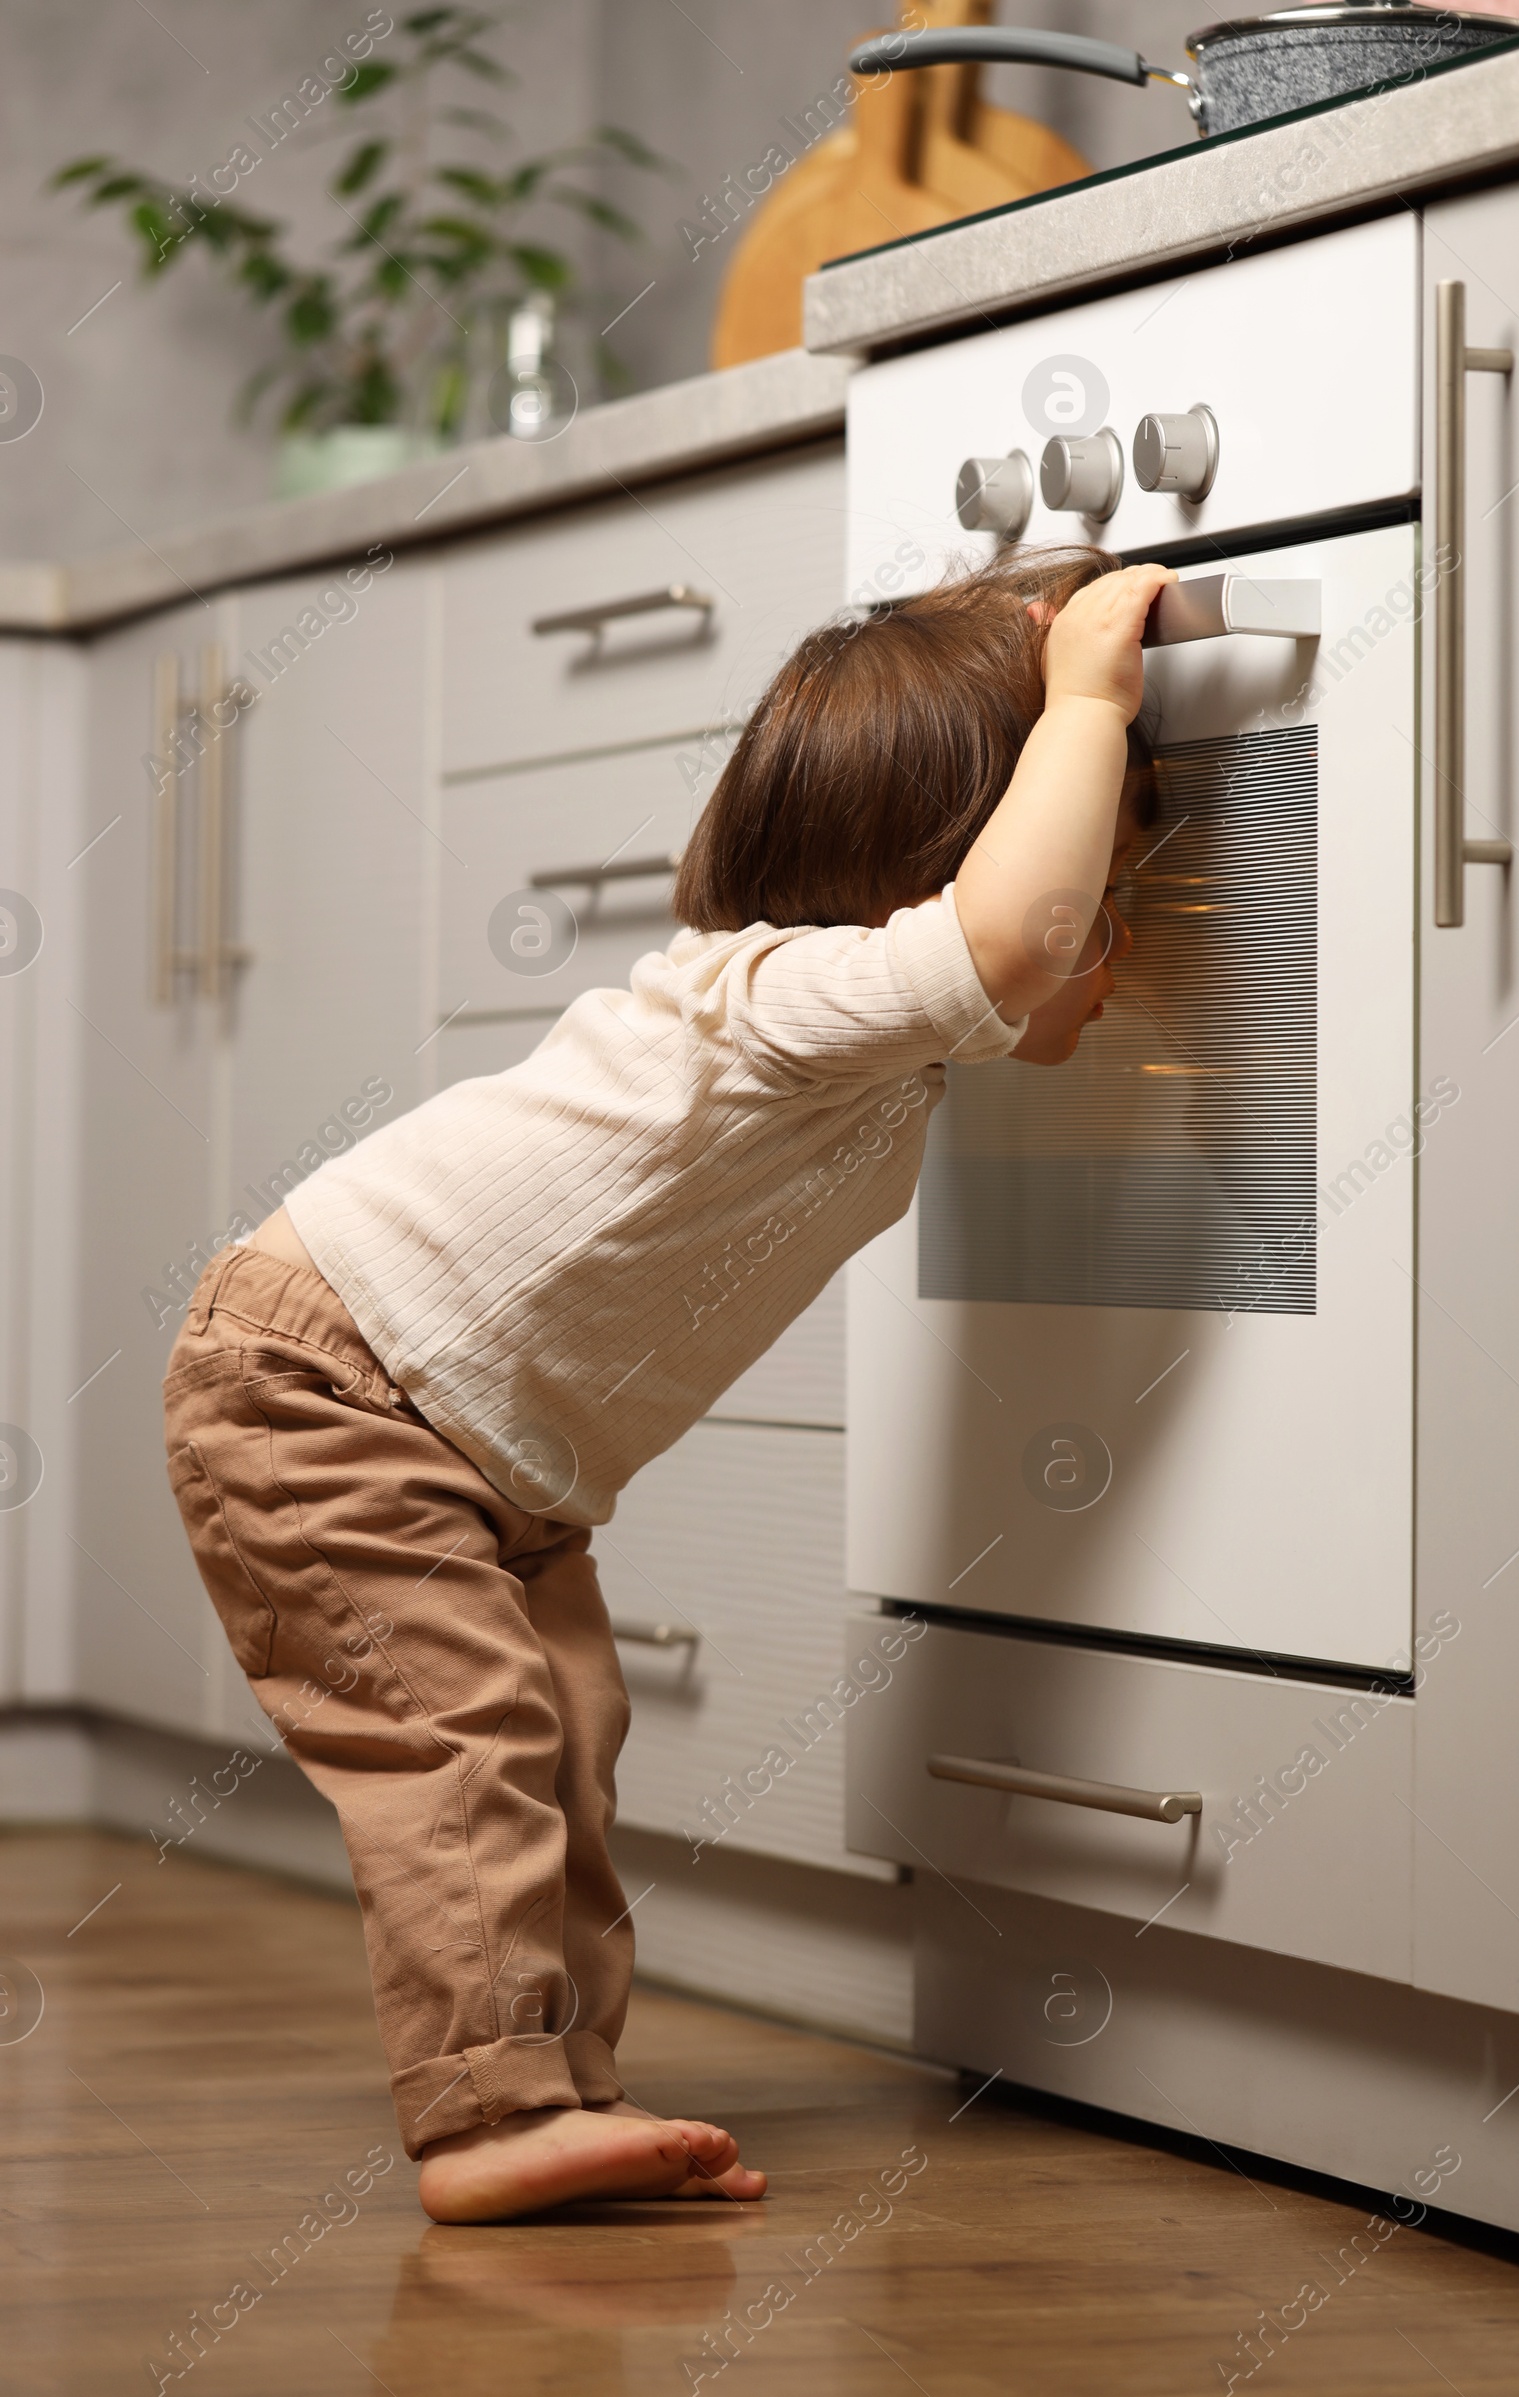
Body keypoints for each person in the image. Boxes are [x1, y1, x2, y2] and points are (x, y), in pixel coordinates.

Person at [161, 548, 1173, 2223]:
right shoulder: (772, 1002)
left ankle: (560, 2089)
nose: (1101, 921)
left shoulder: (872, 1052)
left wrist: (1044, 936)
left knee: (567, 1735)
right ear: (927, 877)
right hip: (323, 1384)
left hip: (493, 1455)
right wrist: (1085, 700)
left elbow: (1013, 972)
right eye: (1097, 864)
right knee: (461, 1737)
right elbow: (1009, 946)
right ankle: (486, 2122)